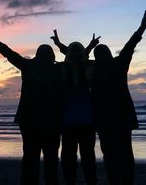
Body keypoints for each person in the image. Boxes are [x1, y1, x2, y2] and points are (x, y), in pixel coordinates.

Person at [0, 30, 64, 185]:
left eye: (48, 53)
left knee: (38, 160)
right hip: (39, 123)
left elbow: (8, 53)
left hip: (41, 122)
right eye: (47, 53)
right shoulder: (47, 68)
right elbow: (8, 52)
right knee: (42, 160)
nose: (48, 56)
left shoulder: (45, 67)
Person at [91, 10, 146, 185]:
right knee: (111, 154)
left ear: (109, 53)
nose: (101, 55)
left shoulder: (118, 63)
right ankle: (115, 181)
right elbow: (75, 59)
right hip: (105, 121)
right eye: (98, 53)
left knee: (123, 153)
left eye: (103, 52)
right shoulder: (94, 70)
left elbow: (130, 45)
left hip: (120, 119)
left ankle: (124, 181)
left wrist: (142, 27)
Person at [51, 33, 100, 185]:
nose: (76, 54)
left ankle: (91, 181)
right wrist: (59, 45)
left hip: (87, 121)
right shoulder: (61, 68)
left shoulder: (90, 67)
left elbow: (79, 55)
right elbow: (72, 54)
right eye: (73, 52)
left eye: (79, 51)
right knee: (68, 157)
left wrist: (90, 47)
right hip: (68, 122)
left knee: (88, 157)